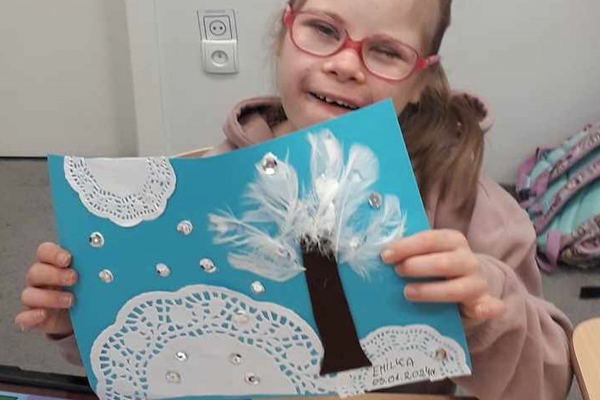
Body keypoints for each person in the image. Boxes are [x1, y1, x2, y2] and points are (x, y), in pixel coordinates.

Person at [15, 0, 573, 399]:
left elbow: (547, 384)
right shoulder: (209, 184)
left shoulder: (465, 200)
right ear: (283, 34)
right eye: (324, 30)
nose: (345, 64)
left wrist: (489, 307)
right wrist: (78, 316)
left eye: (385, 51)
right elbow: (149, 360)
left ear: (422, 80)